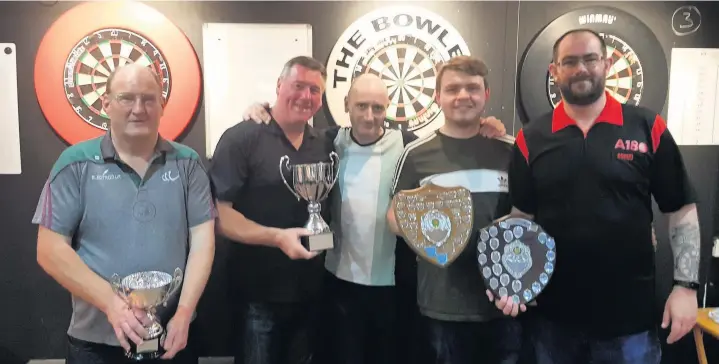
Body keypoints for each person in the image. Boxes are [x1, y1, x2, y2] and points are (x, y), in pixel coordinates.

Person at [241, 71, 507, 364]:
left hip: (395, 287)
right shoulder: (328, 142)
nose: (369, 116)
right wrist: (261, 109)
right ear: (346, 105)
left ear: (388, 108)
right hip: (339, 282)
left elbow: (452, 139)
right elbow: (288, 129)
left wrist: (485, 125)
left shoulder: (408, 145)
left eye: (378, 108)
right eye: (361, 106)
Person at [490, 28, 700, 364]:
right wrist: (508, 278)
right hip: (553, 320)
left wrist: (686, 287)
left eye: (590, 59)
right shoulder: (531, 138)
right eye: (569, 61)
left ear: (606, 63)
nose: (581, 69)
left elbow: (681, 210)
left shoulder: (647, 126)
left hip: (630, 321)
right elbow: (520, 218)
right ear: (554, 71)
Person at [33, 63, 216, 364]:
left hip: (173, 335)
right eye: (126, 98)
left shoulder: (187, 163)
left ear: (162, 104)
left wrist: (184, 313)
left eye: (148, 98)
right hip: (96, 343)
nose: (139, 108)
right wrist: (111, 305)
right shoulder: (74, 163)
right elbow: (49, 250)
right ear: (106, 103)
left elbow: (203, 242)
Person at [386, 55, 522, 364]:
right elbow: (393, 217)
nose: (463, 96)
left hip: (504, 300)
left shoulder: (511, 150)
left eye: (472, 88)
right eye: (452, 89)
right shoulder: (416, 154)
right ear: (438, 97)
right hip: (443, 304)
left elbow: (527, 216)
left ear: (486, 95)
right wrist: (432, 239)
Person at [209, 56, 335, 364]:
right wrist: (277, 238)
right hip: (258, 295)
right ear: (279, 86)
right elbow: (220, 215)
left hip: (313, 293)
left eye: (315, 90)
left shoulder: (327, 142)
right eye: (298, 86)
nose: (306, 97)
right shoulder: (241, 138)